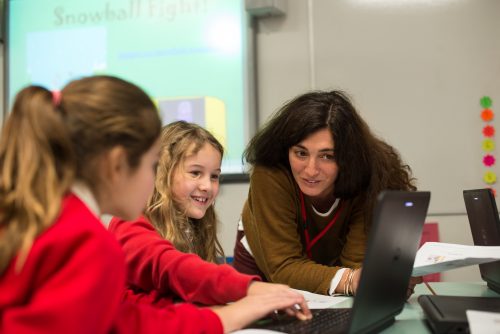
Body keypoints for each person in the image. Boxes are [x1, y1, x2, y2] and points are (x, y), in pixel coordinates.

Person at [0, 76, 309, 334]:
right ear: (118, 164)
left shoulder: (49, 219)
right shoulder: (88, 242)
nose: (153, 180)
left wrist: (232, 313)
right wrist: (245, 293)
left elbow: (125, 321)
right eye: (152, 166)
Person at [108, 121, 312, 316]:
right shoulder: (129, 225)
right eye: (195, 173)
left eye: (214, 176)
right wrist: (251, 289)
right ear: (162, 174)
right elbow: (174, 269)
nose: (208, 186)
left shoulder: (191, 223)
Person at [233, 90, 421, 297]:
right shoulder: (270, 173)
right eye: (301, 153)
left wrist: (370, 279)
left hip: (334, 272)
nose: (311, 170)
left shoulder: (370, 175)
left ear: (348, 157)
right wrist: (351, 279)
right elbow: (282, 267)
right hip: (264, 269)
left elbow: (356, 267)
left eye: (327, 156)